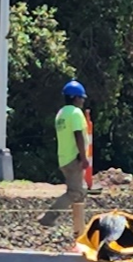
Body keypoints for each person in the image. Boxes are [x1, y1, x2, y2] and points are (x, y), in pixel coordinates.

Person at [37, 81, 92, 231]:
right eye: (81, 98)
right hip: (75, 159)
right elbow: (78, 135)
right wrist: (84, 156)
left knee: (81, 193)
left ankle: (80, 226)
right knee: (75, 192)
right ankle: (48, 218)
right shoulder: (75, 113)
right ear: (75, 98)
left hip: (64, 158)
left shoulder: (61, 113)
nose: (83, 100)